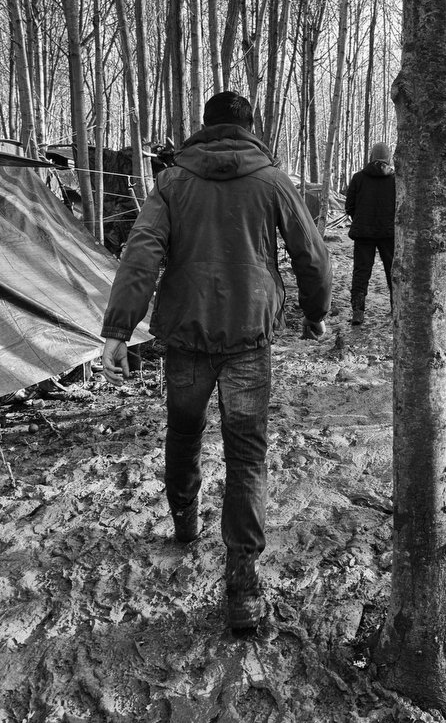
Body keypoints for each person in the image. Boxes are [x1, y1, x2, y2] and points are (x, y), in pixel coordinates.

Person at [99, 91, 332, 630]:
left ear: (203, 127)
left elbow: (142, 252)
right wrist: (315, 313)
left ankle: (184, 520)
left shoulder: (174, 182)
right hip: (249, 335)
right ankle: (244, 587)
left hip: (185, 333)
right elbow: (312, 255)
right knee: (246, 454)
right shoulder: (271, 180)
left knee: (183, 430)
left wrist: (118, 329)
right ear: (251, 126)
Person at [344, 142, 396, 325]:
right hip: (389, 234)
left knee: (361, 272)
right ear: (388, 157)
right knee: (393, 272)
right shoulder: (395, 179)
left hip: (363, 234)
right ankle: (396, 309)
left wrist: (360, 219)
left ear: (371, 156)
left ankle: (358, 312)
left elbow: (348, 206)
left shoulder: (358, 178)